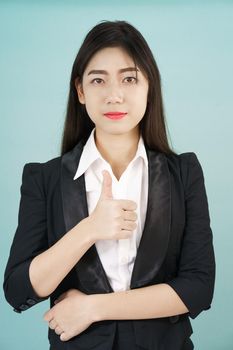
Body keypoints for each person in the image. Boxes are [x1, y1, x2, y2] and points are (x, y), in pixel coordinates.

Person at [3, 20, 215, 350]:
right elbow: (18, 291)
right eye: (98, 80)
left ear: (149, 87)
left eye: (129, 78)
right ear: (81, 91)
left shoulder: (183, 173)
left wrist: (92, 308)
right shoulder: (43, 179)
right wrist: (89, 229)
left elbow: (198, 288)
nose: (114, 95)